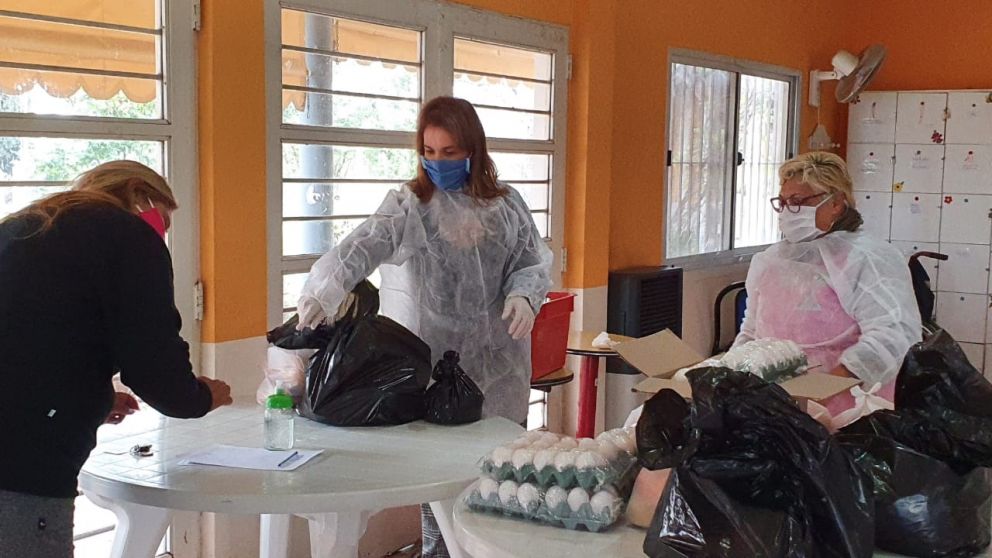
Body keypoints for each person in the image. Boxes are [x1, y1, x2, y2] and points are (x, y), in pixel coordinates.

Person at [297, 96, 553, 557]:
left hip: (499, 371)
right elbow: (363, 245)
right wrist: (324, 287)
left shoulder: (507, 206)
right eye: (429, 152)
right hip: (431, 374)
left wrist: (524, 295)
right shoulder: (410, 206)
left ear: (473, 149)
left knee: (500, 486)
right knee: (439, 495)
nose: (437, 163)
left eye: (450, 152)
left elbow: (530, 261)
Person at [0, 160, 233, 558]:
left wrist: (94, 398)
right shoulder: (128, 236)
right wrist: (203, 397)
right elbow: (155, 368)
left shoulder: (26, 225)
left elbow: (37, 334)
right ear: (138, 195)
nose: (164, 231)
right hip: (22, 466)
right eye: (164, 218)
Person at [733, 151, 922, 415]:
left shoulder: (868, 258)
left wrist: (828, 386)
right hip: (777, 406)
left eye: (798, 201)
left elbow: (894, 335)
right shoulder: (770, 261)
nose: (788, 211)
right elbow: (752, 332)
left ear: (836, 202)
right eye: (783, 202)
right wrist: (730, 375)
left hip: (850, 408)